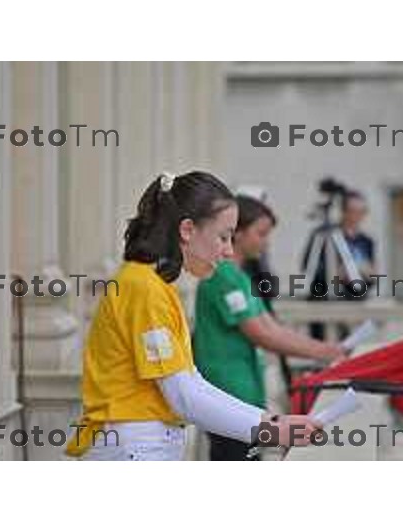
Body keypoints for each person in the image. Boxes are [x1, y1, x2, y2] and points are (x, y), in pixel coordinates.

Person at [65, 171, 321, 461]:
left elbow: (192, 382)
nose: (227, 250)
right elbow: (184, 395)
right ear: (187, 230)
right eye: (223, 237)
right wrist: (271, 428)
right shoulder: (143, 288)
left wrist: (272, 423)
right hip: (131, 447)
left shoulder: (154, 286)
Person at [193, 195, 346, 461]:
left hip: (243, 392)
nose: (266, 242)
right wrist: (324, 352)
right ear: (236, 234)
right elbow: (261, 334)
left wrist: (327, 349)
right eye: (260, 233)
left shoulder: (240, 277)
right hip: (227, 395)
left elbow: (272, 328)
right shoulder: (223, 276)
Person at [300, 189, 376, 340]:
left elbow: (371, 276)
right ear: (343, 211)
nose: (357, 216)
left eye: (362, 211)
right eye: (353, 211)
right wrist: (338, 273)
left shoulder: (366, 241)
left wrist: (368, 274)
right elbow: (309, 268)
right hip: (324, 303)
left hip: (354, 304)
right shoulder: (324, 235)